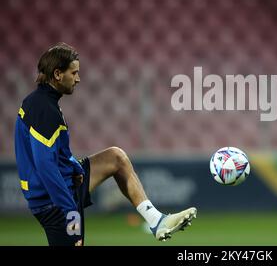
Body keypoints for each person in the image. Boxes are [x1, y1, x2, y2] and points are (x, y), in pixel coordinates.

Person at [14, 43, 197, 246]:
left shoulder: (39, 102)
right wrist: (71, 214)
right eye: (74, 73)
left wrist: (74, 166)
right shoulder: (45, 110)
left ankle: (156, 220)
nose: (78, 78)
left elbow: (56, 154)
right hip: (53, 201)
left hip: (63, 187)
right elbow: (45, 166)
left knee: (115, 158)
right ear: (58, 74)